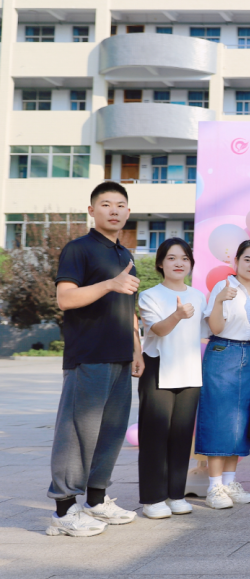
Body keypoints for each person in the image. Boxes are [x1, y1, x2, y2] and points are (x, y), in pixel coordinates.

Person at [48, 181, 143, 537]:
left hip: (120, 357)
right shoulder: (79, 249)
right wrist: (108, 284)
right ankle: (63, 509)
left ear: (128, 212)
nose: (113, 210)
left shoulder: (125, 255)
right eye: (106, 204)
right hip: (88, 356)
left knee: (111, 432)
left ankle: (96, 500)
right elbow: (65, 298)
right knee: (76, 433)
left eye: (120, 205)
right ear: (92, 210)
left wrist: (136, 350)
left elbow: (128, 309)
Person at [137, 238, 205, 519]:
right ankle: (152, 499)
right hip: (158, 370)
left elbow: (208, 329)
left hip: (190, 373)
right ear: (160, 263)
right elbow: (159, 330)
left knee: (181, 437)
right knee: (154, 437)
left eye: (185, 258)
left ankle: (176, 494)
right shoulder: (149, 295)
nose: (179, 263)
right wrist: (177, 315)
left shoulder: (198, 296)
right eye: (172, 258)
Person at [198, 239, 250, 510]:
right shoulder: (224, 286)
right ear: (236, 261)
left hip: (247, 354)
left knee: (239, 419)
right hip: (222, 350)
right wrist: (219, 301)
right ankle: (213, 486)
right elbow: (215, 327)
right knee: (218, 417)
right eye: (247, 259)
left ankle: (229, 482)